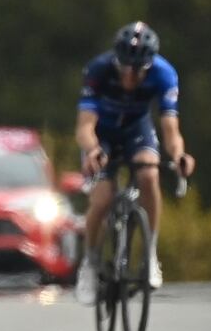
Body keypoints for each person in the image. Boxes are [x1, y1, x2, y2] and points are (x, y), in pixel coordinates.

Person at [74, 22, 196, 303]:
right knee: (102, 199)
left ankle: (150, 255)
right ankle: (90, 266)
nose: (130, 77)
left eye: (138, 71)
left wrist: (178, 156)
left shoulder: (164, 74)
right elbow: (84, 127)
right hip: (101, 135)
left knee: (149, 176)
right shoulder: (98, 70)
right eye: (125, 69)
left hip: (136, 131)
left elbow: (170, 129)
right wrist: (92, 150)